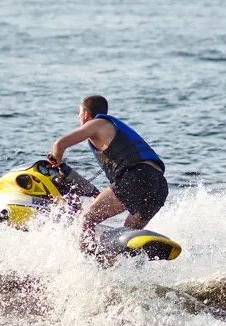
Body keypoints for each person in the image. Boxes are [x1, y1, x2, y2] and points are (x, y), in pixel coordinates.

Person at [49, 95, 168, 252]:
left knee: (86, 219)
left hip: (136, 178)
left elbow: (60, 144)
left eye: (79, 113)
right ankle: (124, 270)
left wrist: (55, 161)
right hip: (159, 185)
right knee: (128, 237)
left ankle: (86, 263)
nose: (79, 117)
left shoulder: (97, 123)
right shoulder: (114, 127)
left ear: (85, 114)